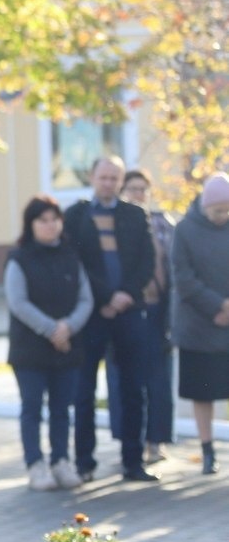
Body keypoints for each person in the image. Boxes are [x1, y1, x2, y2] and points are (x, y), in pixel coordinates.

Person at [63, 155, 158, 482]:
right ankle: (85, 463)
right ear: (92, 177)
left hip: (129, 313)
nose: (108, 183)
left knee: (133, 387)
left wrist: (124, 296)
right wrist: (105, 297)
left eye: (114, 178)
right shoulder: (75, 216)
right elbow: (74, 262)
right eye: (103, 177)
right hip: (91, 314)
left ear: (121, 181)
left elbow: (147, 262)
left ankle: (133, 462)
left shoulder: (135, 215)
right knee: (84, 389)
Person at [4, 195, 93, 491]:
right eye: (43, 220)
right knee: (32, 408)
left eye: (55, 219)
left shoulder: (70, 254)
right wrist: (52, 329)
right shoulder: (19, 257)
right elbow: (18, 302)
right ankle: (35, 465)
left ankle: (61, 462)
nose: (50, 225)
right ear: (31, 224)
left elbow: (85, 298)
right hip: (30, 349)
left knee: (61, 409)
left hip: (66, 347)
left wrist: (67, 327)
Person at [107, 169, 176, 464]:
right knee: (125, 380)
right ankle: (129, 442)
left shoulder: (164, 225)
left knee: (159, 378)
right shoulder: (118, 222)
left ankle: (156, 441)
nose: (138, 194)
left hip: (159, 310)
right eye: (132, 188)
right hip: (127, 309)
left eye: (142, 189)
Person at [171, 172, 229, 475]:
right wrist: (218, 306)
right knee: (203, 391)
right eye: (219, 210)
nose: (223, 216)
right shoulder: (185, 230)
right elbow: (183, 277)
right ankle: (207, 449)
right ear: (206, 205)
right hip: (199, 325)